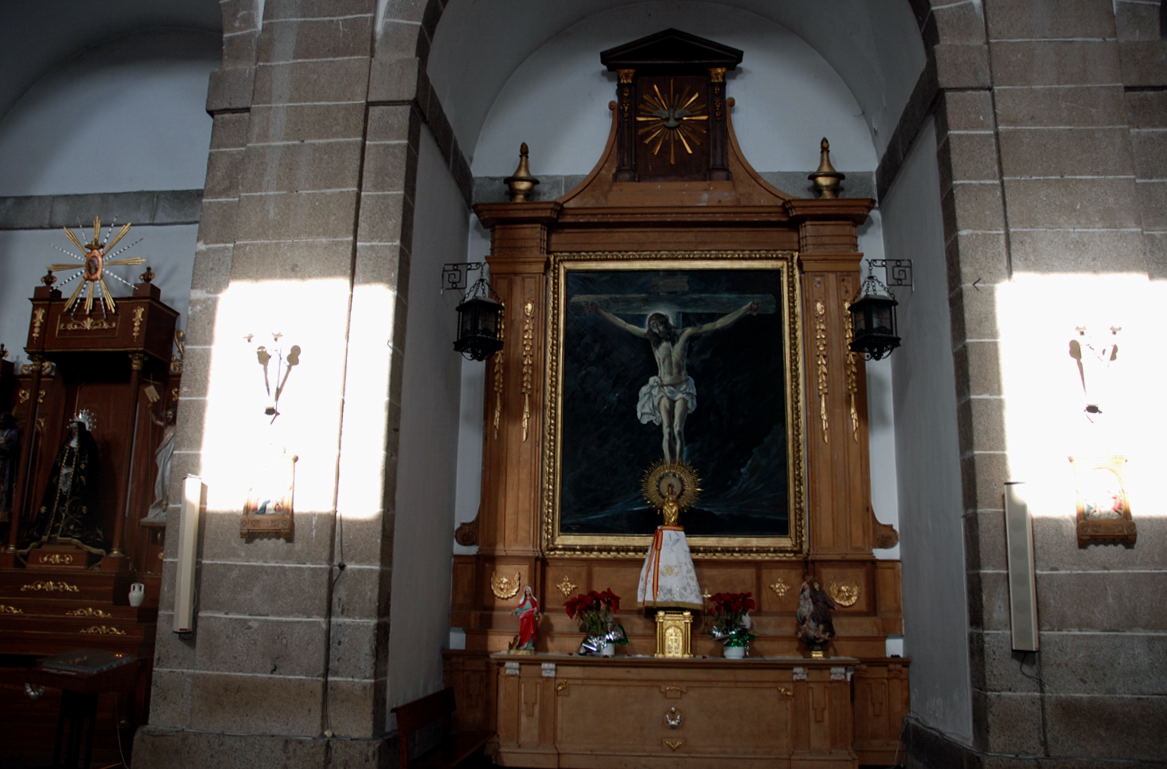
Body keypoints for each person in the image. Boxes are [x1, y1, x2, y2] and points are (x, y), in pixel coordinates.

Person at [590, 300, 758, 462]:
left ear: (666, 323)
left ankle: (679, 466)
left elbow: (716, 324)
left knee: (678, 429)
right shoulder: (652, 339)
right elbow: (625, 325)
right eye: (653, 327)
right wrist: (600, 312)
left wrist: (745, 309)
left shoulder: (684, 334)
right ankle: (669, 468)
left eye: (659, 325)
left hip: (683, 387)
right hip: (663, 389)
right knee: (667, 430)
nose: (656, 329)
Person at [23, 419, 105, 555]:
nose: (73, 432)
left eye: (75, 430)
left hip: (77, 487)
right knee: (56, 507)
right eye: (71, 429)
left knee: (75, 510)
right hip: (62, 484)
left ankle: (72, 534)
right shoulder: (65, 446)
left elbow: (89, 469)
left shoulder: (86, 446)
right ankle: (53, 534)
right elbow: (58, 465)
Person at [144, 406, 176, 522]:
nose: (169, 416)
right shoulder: (167, 426)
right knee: (160, 480)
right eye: (168, 414)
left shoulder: (177, 428)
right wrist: (151, 410)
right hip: (163, 455)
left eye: (171, 414)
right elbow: (155, 420)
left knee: (167, 479)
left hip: (170, 457)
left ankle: (166, 505)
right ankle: (160, 505)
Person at [796, 578, 836, 650]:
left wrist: (833, 606)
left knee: (825, 619)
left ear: (819, 585)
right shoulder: (812, 593)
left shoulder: (822, 592)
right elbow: (804, 593)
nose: (815, 586)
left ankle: (823, 633)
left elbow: (827, 599)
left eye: (816, 584)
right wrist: (804, 585)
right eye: (814, 584)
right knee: (816, 617)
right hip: (816, 608)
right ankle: (818, 633)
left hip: (823, 608)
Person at [0, 412, 19, 524]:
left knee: (5, 490)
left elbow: (9, 446)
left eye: (3, 420)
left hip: (7, 465)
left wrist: (3, 444)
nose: (1, 422)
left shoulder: (13, 432)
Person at [513, 585, 540, 651]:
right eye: (526, 591)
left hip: (530, 619)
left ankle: (529, 645)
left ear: (530, 592)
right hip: (524, 620)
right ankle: (523, 645)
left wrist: (535, 611)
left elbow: (536, 609)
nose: (527, 592)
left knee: (530, 632)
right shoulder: (523, 601)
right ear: (525, 592)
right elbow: (519, 608)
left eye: (528, 591)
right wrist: (516, 611)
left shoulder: (533, 600)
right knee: (523, 632)